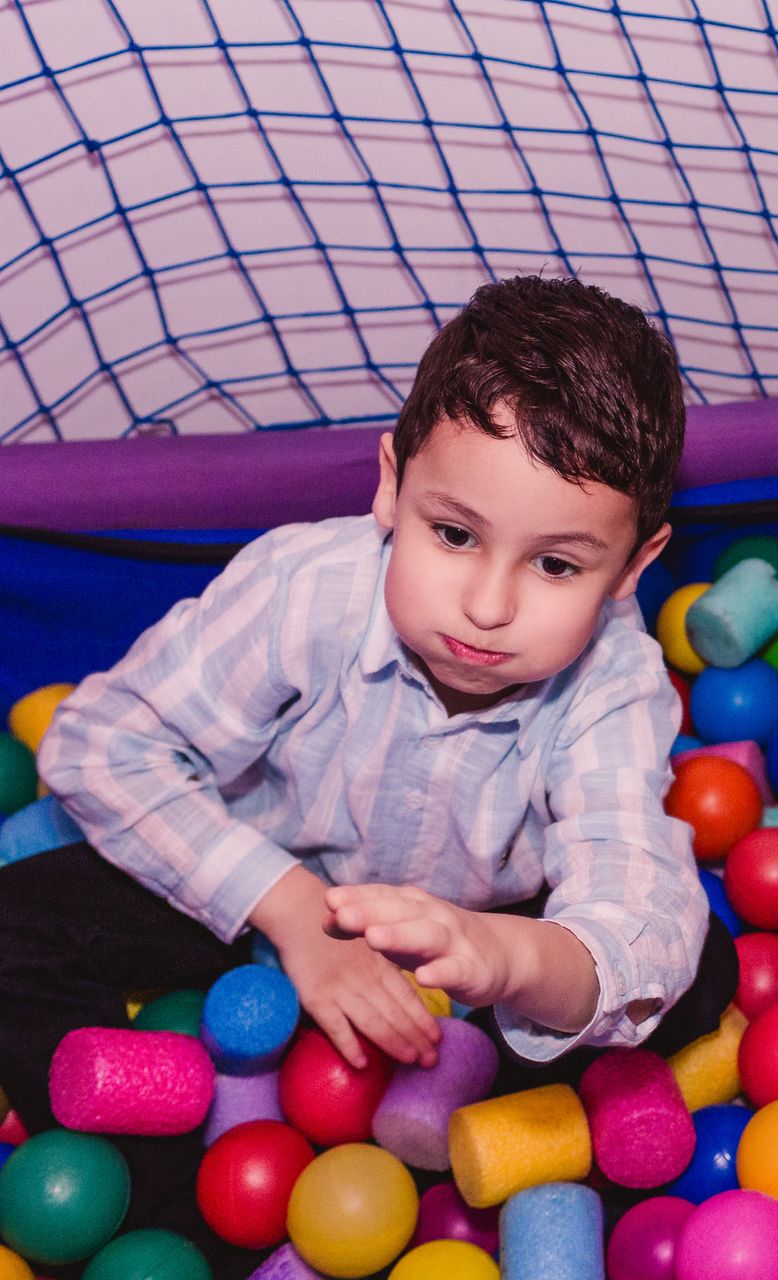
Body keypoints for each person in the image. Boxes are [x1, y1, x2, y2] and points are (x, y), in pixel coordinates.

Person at [0, 275, 736, 1275]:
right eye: (455, 533)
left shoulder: (615, 680)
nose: (487, 604)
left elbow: (637, 908)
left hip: (466, 966)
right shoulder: (305, 589)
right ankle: (175, 1200)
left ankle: (458, 1158)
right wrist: (294, 913)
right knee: (15, 918)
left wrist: (503, 954)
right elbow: (98, 743)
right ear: (392, 484)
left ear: (634, 565)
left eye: (557, 565)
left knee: (698, 971)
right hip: (259, 886)